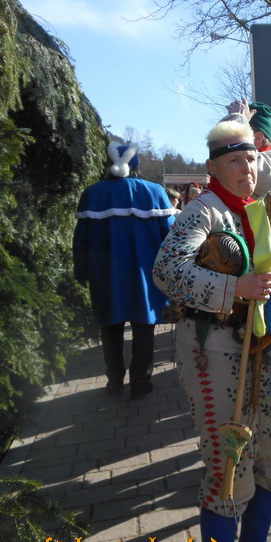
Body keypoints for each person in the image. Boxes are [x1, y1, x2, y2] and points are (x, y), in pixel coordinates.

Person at [153, 120, 271, 542]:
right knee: (228, 468)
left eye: (251, 159)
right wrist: (234, 288)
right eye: (235, 161)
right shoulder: (203, 210)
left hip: (261, 347)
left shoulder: (255, 211)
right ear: (214, 167)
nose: (247, 169)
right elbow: (166, 271)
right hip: (212, 349)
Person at [73, 142, 175, 400]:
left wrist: (82, 272)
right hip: (145, 277)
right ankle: (140, 383)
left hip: (105, 276)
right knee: (144, 329)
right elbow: (172, 237)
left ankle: (115, 381)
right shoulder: (154, 192)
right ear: (137, 165)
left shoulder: (92, 194)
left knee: (110, 329)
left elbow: (80, 240)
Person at [224, 99, 271, 297]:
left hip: (270, 263)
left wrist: (238, 121)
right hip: (249, 260)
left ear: (259, 137)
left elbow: (236, 160)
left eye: (244, 132)